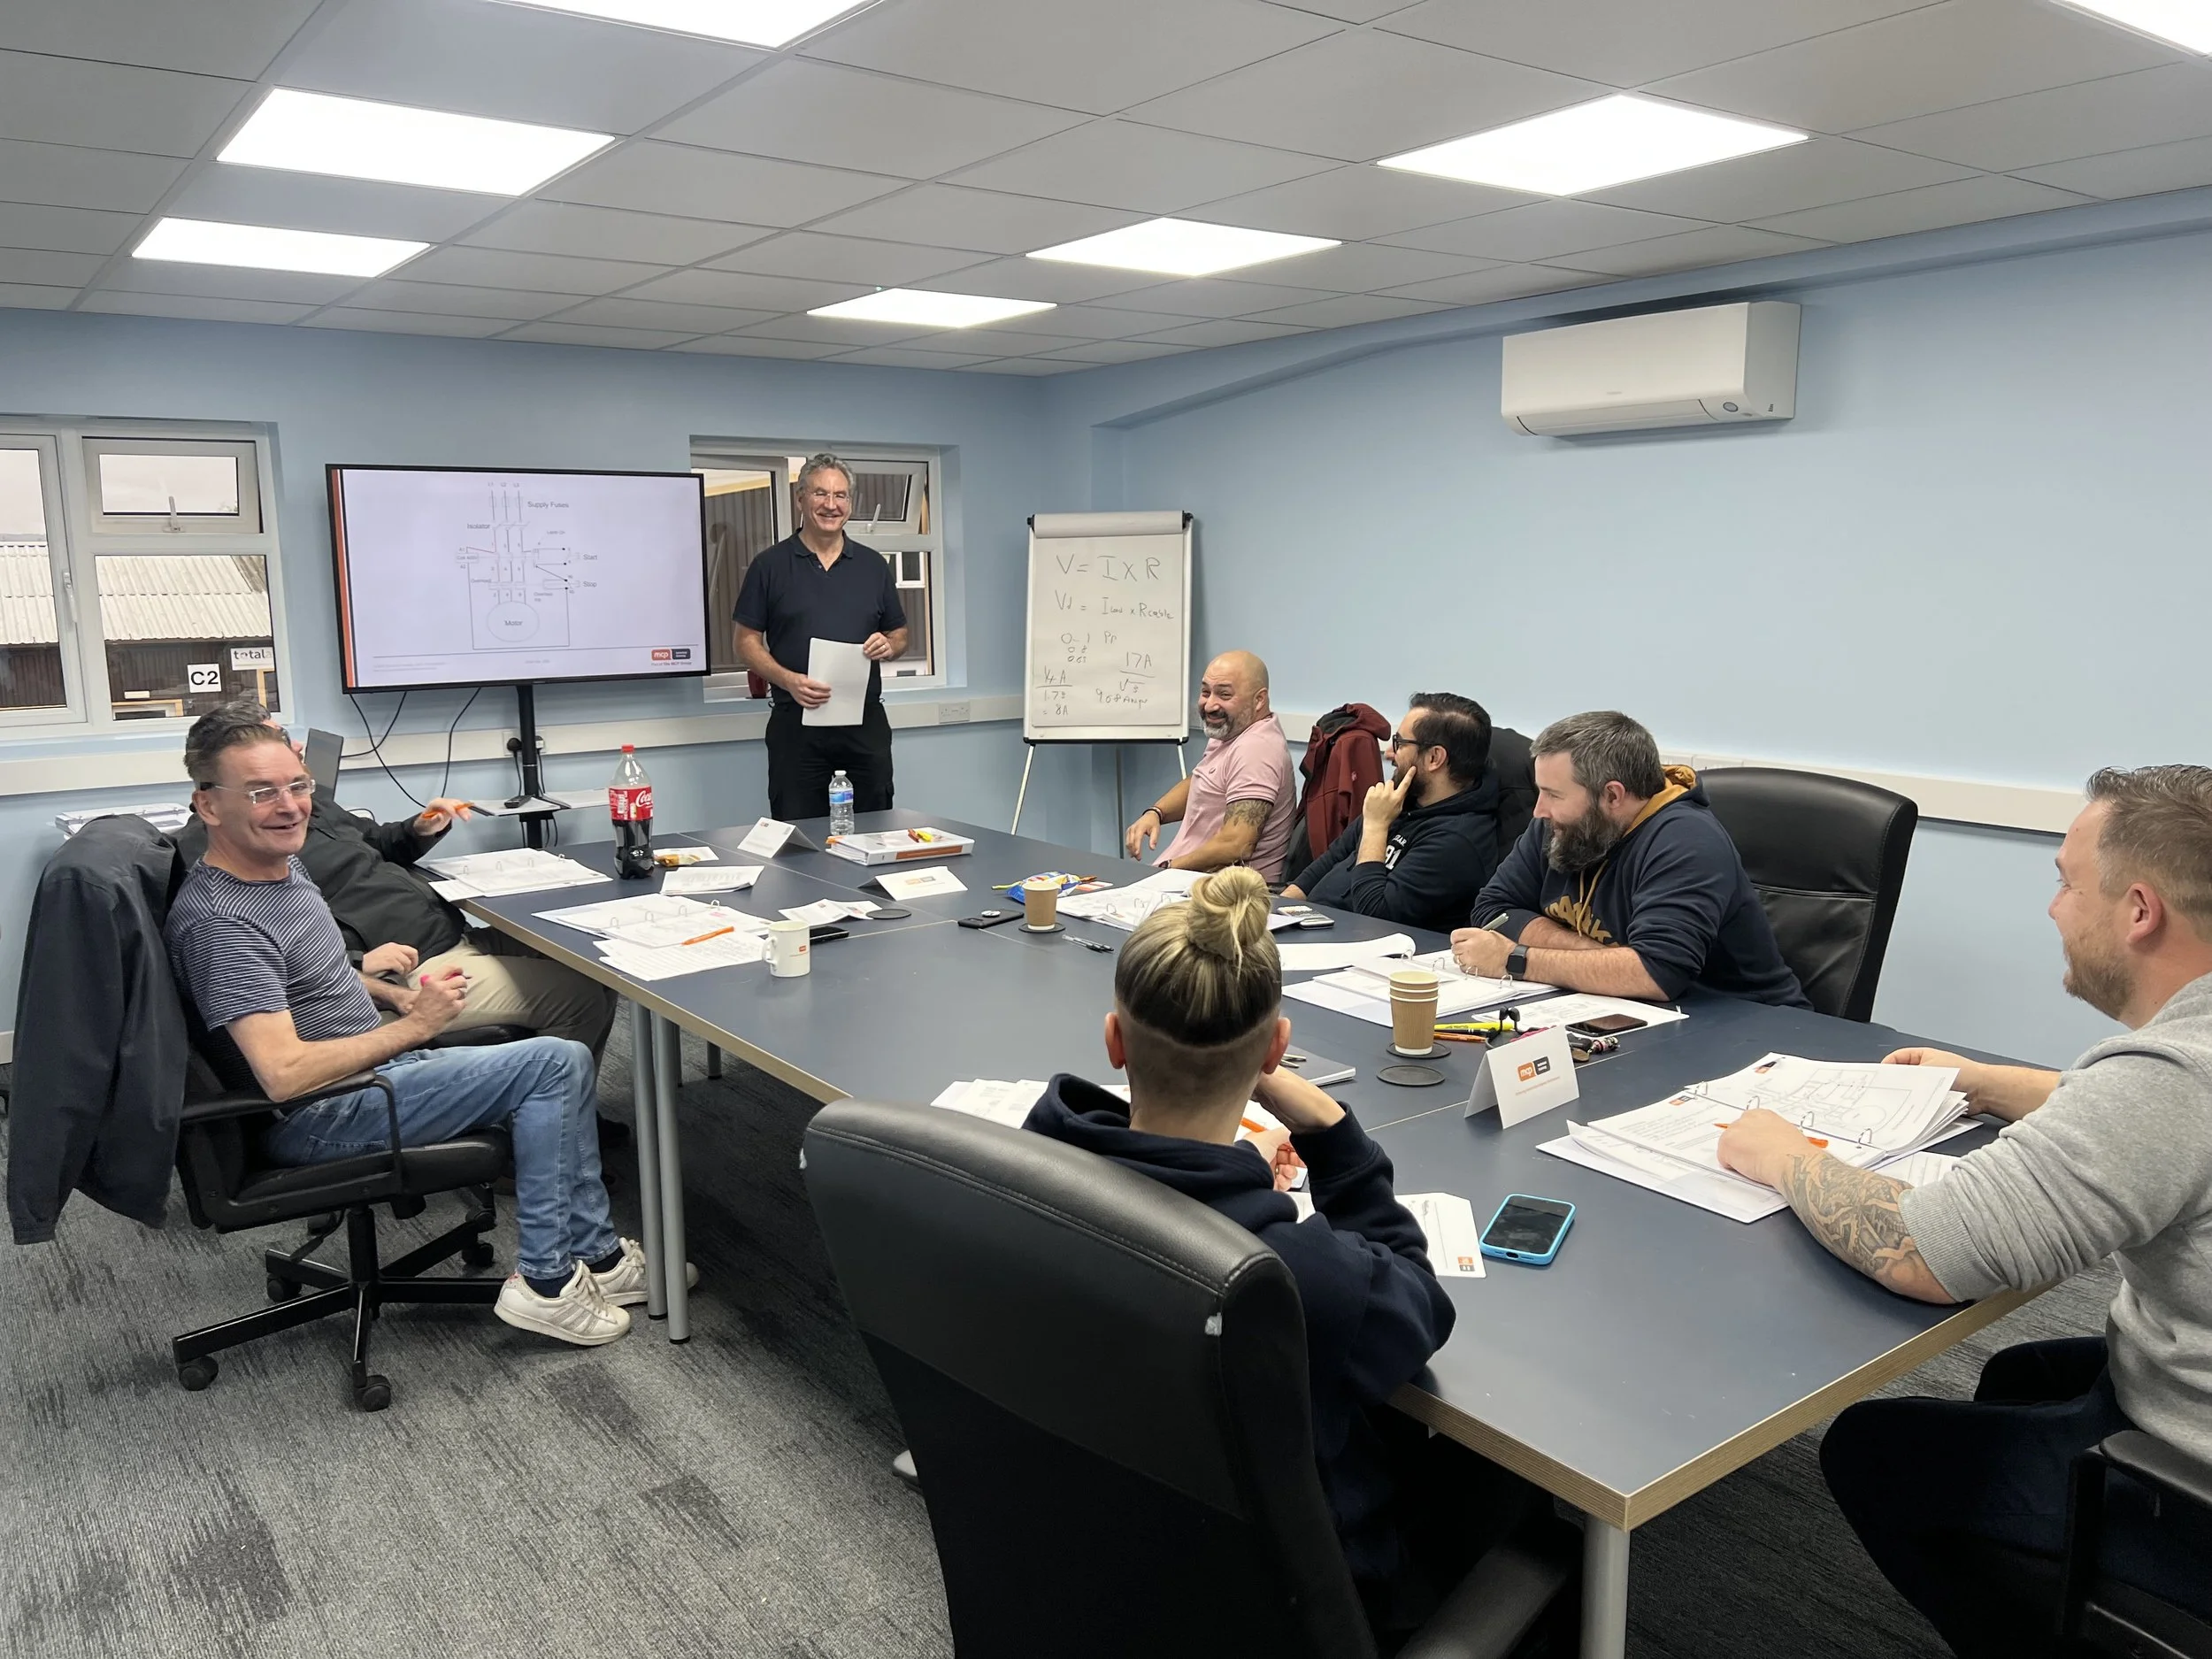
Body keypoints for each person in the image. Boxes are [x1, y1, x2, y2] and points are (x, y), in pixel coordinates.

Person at [1717, 764, 2212, 1657]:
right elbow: (2158, 1121)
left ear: (2138, 910)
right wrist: (2000, 1085)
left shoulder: (2172, 1079)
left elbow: (1921, 1251)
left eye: (2066, 883)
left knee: (1874, 1451)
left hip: (2195, 1498)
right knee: (2020, 1375)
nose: (2055, 909)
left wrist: (1783, 1153)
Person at [1024, 867, 1535, 1647]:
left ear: (1114, 1040)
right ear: (1276, 1049)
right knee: (1517, 1498)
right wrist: (1336, 1138)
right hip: (1290, 1611)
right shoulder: (1282, 1272)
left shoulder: (1028, 1171)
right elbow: (1419, 1307)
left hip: (1087, 1559)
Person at [165, 706, 664, 1347]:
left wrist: (389, 997)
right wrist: (415, 1026)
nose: (289, 806)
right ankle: (545, 1283)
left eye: (297, 786)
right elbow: (283, 1075)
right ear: (208, 806)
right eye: (262, 793)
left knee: (555, 1057)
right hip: (326, 1112)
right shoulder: (223, 923)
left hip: (366, 1070)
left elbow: (312, 978)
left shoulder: (278, 869)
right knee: (553, 1063)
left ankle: (599, 1259)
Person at [175, 705, 618, 1058]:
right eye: (273, 745)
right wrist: (357, 959)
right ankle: (549, 1108)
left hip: (450, 933)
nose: (289, 803)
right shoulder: (237, 851)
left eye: (296, 781)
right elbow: (276, 948)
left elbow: (375, 842)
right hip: (416, 965)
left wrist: (420, 827)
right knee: (579, 997)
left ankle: (546, 1100)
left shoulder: (310, 806)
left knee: (594, 967)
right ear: (213, 797)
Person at [1453, 710, 1806, 1007]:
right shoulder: (1558, 824)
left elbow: (1658, 973)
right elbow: (1494, 909)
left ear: (1612, 795)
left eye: (1553, 794)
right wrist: (1594, 958)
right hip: (1628, 1010)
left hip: (1746, 1024)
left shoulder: (1686, 840)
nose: (1539, 810)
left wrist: (1515, 959)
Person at [734, 453, 908, 821]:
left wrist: (890, 646)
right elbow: (745, 643)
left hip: (864, 723)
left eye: (841, 496)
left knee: (876, 828)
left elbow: (900, 633)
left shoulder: (873, 565)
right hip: (795, 725)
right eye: (820, 494)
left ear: (850, 503)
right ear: (801, 499)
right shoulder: (770, 565)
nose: (831, 505)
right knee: (798, 837)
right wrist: (788, 680)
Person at [1284, 693, 1502, 933]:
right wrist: (1277, 911)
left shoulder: (1457, 841)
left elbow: (1375, 917)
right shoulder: (1402, 800)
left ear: (1434, 758)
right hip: (1312, 929)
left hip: (1364, 952)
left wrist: (1376, 827)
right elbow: (1329, 861)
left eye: (1400, 743)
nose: (1390, 752)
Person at [1122, 649, 1298, 883]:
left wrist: (1167, 870)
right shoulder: (1230, 731)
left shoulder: (1256, 749)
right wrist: (1156, 813)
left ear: (1259, 700)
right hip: (1191, 883)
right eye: (1206, 692)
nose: (1210, 705)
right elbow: (1202, 780)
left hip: (1229, 897)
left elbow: (1236, 845)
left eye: (1224, 695)